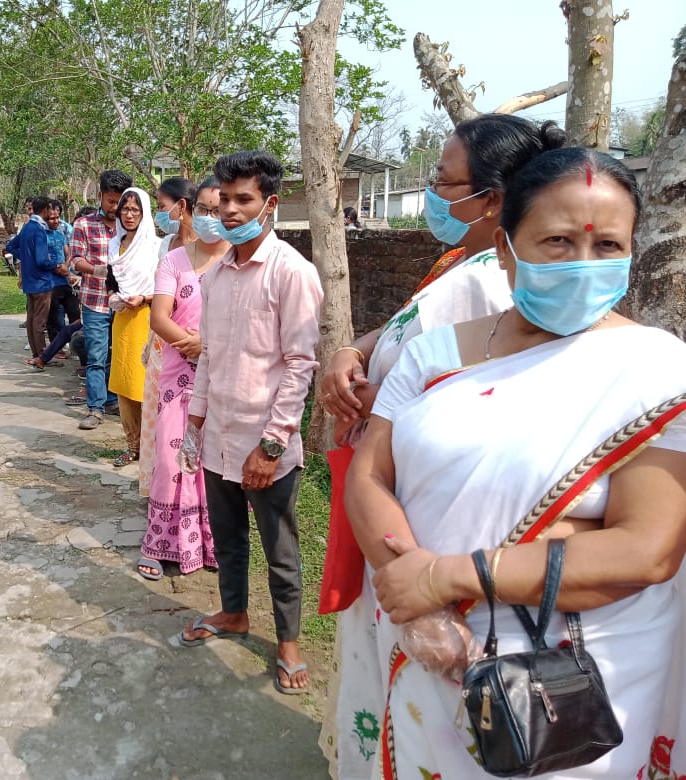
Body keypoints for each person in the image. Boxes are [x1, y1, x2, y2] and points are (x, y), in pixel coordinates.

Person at [345, 147, 686, 779]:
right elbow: (371, 477)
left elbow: (646, 550)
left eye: (608, 245)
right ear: (504, 248)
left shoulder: (656, 370)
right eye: (557, 240)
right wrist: (419, 607)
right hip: (427, 645)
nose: (584, 264)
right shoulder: (434, 357)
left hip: (573, 682)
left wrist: (448, 579)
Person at [317, 114, 568, 779]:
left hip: (431, 535)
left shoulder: (496, 284)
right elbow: (412, 333)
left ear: (490, 200)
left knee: (435, 717)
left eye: (441, 180)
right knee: (384, 691)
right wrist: (357, 348)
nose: (429, 191)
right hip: (385, 518)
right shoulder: (455, 265)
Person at [175, 150, 323, 696]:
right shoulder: (216, 276)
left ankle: (288, 644)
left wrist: (270, 446)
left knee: (280, 550)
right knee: (229, 538)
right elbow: (210, 355)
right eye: (225, 199)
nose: (230, 211)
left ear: (270, 205)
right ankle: (234, 612)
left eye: (244, 200)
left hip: (266, 445)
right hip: (218, 437)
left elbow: (301, 364)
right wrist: (195, 419)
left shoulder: (292, 273)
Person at [137, 177, 229, 580]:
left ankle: (212, 544)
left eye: (218, 209)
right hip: (177, 375)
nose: (212, 217)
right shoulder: (173, 260)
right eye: (205, 209)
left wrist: (207, 346)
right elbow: (159, 317)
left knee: (215, 462)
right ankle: (158, 543)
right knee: (170, 458)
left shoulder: (239, 262)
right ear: (194, 210)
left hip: (224, 376)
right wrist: (191, 346)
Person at [139, 178, 199, 496]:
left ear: (182, 206)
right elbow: (160, 305)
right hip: (166, 344)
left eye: (162, 207)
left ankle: (192, 498)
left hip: (197, 352)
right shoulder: (167, 246)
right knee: (161, 424)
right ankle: (160, 489)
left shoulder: (209, 248)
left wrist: (199, 346)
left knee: (192, 427)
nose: (161, 214)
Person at [72, 171, 133, 430]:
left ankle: (111, 399)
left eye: (121, 202)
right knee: (96, 355)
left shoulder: (131, 226)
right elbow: (75, 260)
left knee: (118, 353)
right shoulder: (84, 225)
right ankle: (95, 408)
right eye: (110, 201)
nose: (115, 207)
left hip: (125, 303)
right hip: (95, 302)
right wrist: (98, 270)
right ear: (100, 197)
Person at [105, 187, 158, 466]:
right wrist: (113, 297)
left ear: (144, 212)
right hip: (123, 319)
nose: (129, 214)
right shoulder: (116, 245)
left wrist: (144, 298)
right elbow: (112, 283)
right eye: (125, 209)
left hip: (148, 319)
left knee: (145, 386)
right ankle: (132, 444)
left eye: (135, 210)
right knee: (124, 386)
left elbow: (164, 288)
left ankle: (153, 446)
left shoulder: (155, 246)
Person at [6, 196, 58, 361]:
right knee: (40, 321)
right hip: (42, 282)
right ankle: (42, 355)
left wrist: (26, 258)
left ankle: (36, 353)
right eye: (49, 210)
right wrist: (56, 263)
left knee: (32, 318)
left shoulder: (28, 227)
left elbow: (10, 247)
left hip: (29, 282)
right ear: (44, 210)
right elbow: (42, 260)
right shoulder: (39, 230)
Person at [46, 199, 80, 348]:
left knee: (74, 313)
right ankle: (56, 347)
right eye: (51, 218)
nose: (55, 221)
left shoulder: (60, 235)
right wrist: (56, 268)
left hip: (65, 280)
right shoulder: (42, 236)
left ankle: (76, 344)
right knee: (54, 317)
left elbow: (69, 253)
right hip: (51, 283)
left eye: (57, 217)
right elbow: (41, 258)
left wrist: (66, 266)